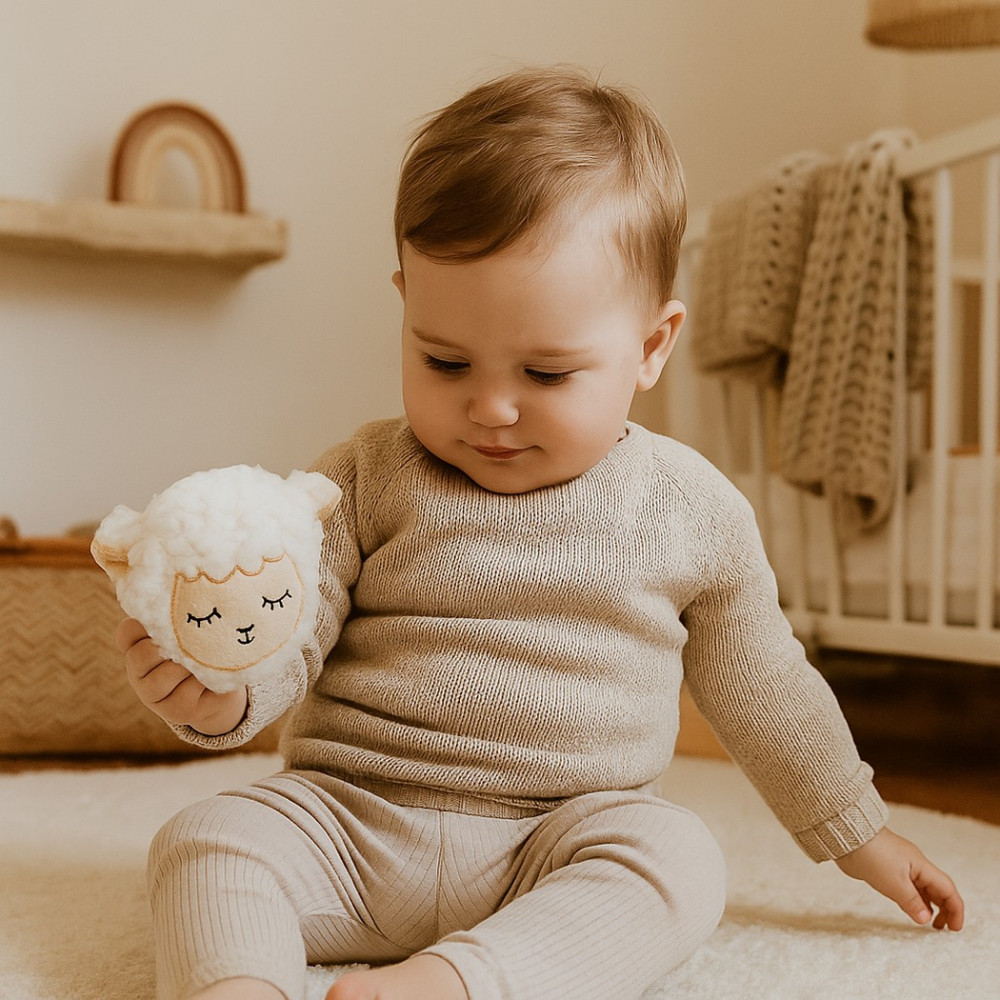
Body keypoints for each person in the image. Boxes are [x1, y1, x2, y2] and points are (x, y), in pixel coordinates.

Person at [119, 65, 964, 1000]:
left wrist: (858, 832)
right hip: (350, 822)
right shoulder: (357, 479)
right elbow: (290, 623)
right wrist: (223, 693)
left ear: (651, 346)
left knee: (680, 859)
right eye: (444, 359)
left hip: (555, 842)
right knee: (206, 840)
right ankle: (237, 986)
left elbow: (766, 687)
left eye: (548, 374)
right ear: (405, 303)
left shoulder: (693, 509)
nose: (490, 408)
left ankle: (458, 983)